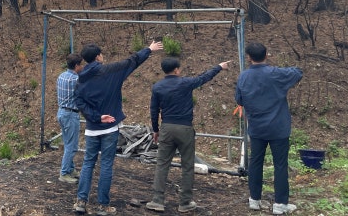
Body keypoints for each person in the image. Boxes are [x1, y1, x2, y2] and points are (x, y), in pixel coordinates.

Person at [73, 40, 164, 215]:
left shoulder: (80, 80)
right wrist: (149, 49)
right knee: (106, 165)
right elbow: (132, 61)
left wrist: (96, 117)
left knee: (87, 164)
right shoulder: (110, 71)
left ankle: (81, 202)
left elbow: (79, 103)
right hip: (110, 127)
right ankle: (102, 206)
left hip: (92, 128)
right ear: (98, 56)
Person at [145, 57, 231, 213]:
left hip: (166, 128)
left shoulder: (157, 87)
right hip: (185, 128)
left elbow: (154, 110)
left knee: (162, 164)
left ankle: (157, 200)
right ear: (177, 70)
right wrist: (219, 66)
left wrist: (155, 130)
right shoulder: (185, 83)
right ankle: (185, 202)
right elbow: (204, 77)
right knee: (187, 166)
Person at [235, 42, 303, 215]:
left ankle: (254, 200)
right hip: (278, 128)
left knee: (256, 163)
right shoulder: (276, 73)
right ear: (267, 55)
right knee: (280, 165)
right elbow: (297, 73)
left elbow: (239, 100)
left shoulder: (243, 77)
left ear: (249, 58)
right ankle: (280, 204)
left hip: (257, 128)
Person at [57, 52, 84, 183]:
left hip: (62, 112)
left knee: (68, 143)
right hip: (70, 114)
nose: (82, 67)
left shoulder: (61, 76)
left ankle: (70, 168)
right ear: (76, 65)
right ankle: (64, 173)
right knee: (72, 146)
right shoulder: (75, 80)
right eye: (81, 65)